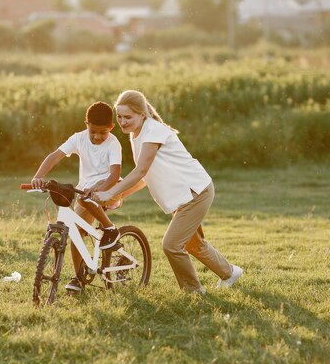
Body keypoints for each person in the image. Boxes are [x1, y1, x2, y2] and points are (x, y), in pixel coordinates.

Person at [93, 90, 243, 294]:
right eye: (119, 116)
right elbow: (145, 177)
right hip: (182, 197)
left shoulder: (152, 131)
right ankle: (230, 273)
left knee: (171, 245)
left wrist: (110, 193)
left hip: (195, 192)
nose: (122, 122)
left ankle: (194, 291)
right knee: (193, 244)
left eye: (127, 117)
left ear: (142, 114)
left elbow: (141, 171)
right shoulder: (136, 134)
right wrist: (119, 195)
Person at [31, 101, 122, 292]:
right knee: (75, 234)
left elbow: (114, 175)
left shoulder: (113, 144)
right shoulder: (79, 139)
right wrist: (39, 176)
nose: (97, 137)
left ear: (111, 128)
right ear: (86, 124)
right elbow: (55, 156)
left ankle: (110, 229)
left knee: (85, 197)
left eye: (102, 133)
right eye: (93, 132)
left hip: (110, 187)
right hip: (85, 192)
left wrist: (101, 190)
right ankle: (79, 277)